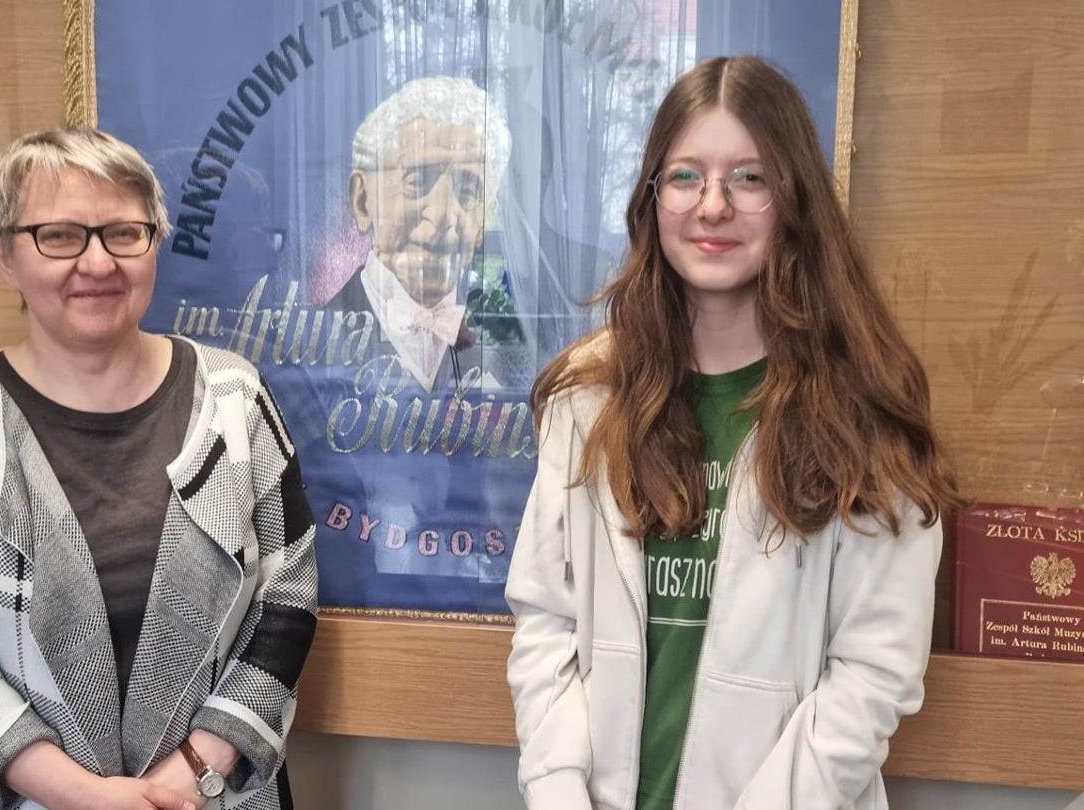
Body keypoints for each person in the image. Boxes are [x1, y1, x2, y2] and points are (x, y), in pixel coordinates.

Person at [504, 56, 964, 810]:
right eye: (685, 176)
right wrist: (558, 790)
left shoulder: (861, 410)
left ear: (795, 199)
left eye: (749, 178)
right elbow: (546, 621)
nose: (712, 206)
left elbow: (874, 674)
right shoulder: (589, 396)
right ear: (652, 198)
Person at [0, 127, 317, 810]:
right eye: (58, 236)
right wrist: (82, 795)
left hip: (208, 794)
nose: (97, 262)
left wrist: (190, 773)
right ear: (4, 255)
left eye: (123, 233)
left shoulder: (237, 397)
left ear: (154, 243)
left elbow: (286, 602)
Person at [323, 75, 527, 393]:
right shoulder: (315, 344)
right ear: (363, 200)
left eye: (468, 191)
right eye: (417, 182)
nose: (443, 215)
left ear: (482, 222)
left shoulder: (497, 354)